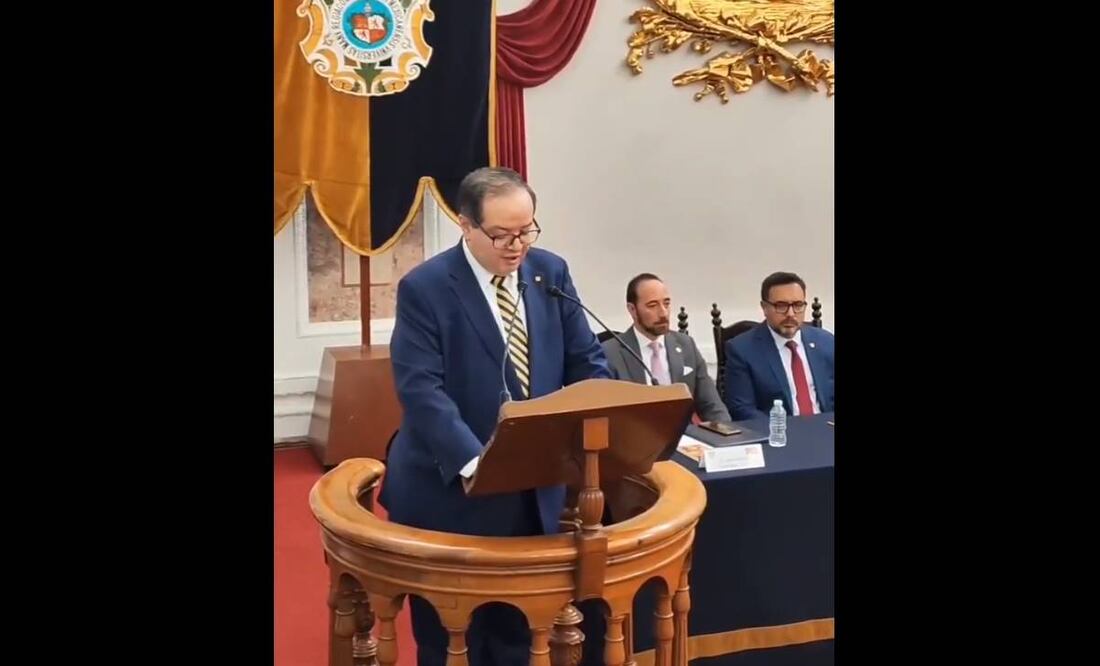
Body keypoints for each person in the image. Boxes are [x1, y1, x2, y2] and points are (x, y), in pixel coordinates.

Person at [379, 166, 610, 666]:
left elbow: (587, 361)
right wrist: (476, 464)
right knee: (452, 641)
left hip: (533, 489)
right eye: (502, 234)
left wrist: (584, 428)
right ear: (466, 225)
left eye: (527, 230)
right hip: (449, 492)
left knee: (520, 637)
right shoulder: (426, 287)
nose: (517, 246)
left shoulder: (550, 273)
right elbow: (421, 389)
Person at [602, 273, 730, 423]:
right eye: (652, 305)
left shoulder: (686, 345)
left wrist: (726, 433)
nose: (663, 313)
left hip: (686, 435)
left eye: (666, 303)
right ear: (632, 309)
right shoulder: (610, 353)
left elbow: (712, 406)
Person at [723, 271, 835, 420]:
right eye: (781, 306)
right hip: (776, 430)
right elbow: (741, 408)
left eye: (798, 305)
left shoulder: (826, 342)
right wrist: (780, 429)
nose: (791, 314)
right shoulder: (742, 350)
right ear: (764, 308)